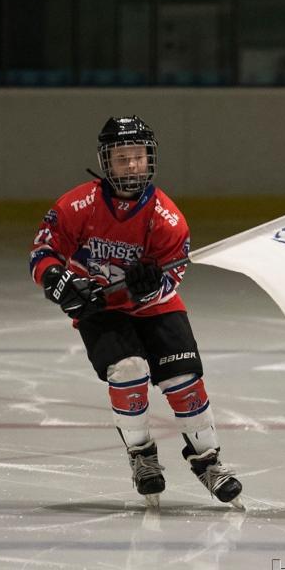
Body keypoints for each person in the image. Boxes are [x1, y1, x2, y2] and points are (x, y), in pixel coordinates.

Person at [29, 115, 243, 508]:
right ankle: (142, 455)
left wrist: (150, 287)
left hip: (157, 309)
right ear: (106, 161)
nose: (131, 166)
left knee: (184, 380)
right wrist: (57, 280)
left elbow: (173, 276)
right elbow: (43, 252)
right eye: (122, 157)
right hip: (101, 308)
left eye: (138, 157)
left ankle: (208, 461)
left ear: (150, 160)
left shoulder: (167, 218)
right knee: (128, 371)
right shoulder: (77, 205)